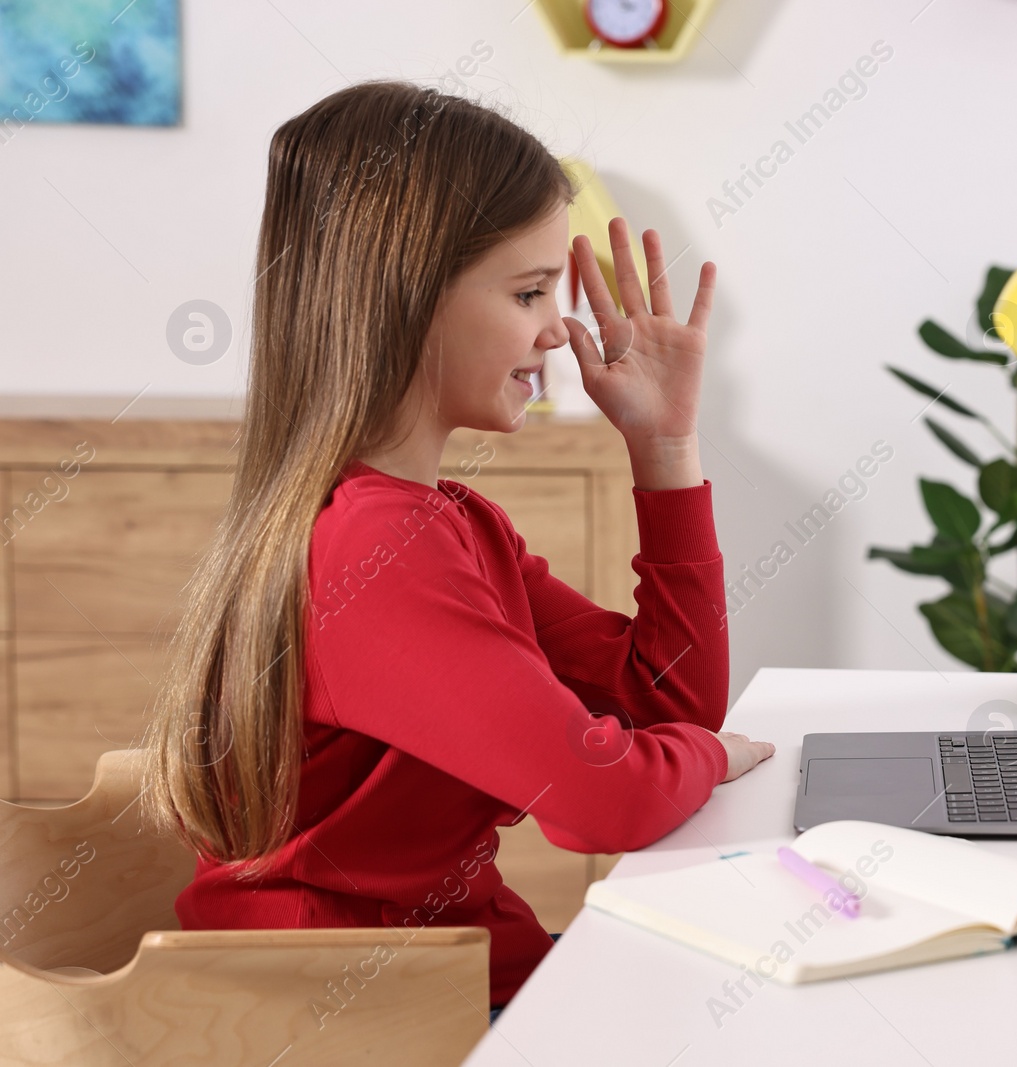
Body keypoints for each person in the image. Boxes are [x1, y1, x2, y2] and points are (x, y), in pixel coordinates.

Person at [139, 78, 775, 1017]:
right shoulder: (377, 548)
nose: (559, 327)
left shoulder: (447, 522)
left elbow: (663, 702)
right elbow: (605, 800)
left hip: (451, 970)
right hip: (351, 1017)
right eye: (528, 292)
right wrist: (713, 758)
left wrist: (665, 450)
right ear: (404, 300)